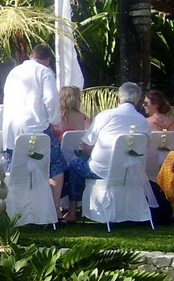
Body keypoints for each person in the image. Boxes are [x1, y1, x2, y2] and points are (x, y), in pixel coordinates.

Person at [63, 82, 152, 222]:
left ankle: (72, 212)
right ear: (137, 100)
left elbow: (86, 146)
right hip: (131, 171)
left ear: (118, 98)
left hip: (101, 170)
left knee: (75, 166)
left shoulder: (105, 116)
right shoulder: (144, 122)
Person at [2, 44, 67, 218]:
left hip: (12, 130)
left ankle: (14, 212)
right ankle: (55, 209)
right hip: (36, 129)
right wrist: (54, 120)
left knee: (15, 169)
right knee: (57, 164)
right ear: (47, 60)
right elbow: (52, 99)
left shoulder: (14, 72)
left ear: (32, 56)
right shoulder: (45, 72)